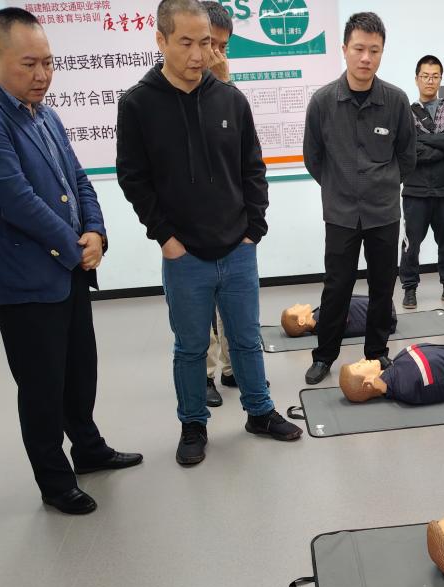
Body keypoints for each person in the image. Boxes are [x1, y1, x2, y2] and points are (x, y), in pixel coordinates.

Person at [0, 8, 142, 514]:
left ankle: (89, 448)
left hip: (68, 269)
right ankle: (55, 482)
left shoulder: (44, 113)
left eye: (48, 63)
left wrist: (96, 232)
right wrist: (75, 246)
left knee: (80, 371)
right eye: (29, 64)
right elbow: (15, 201)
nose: (42, 75)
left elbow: (78, 180)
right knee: (41, 387)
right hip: (25, 280)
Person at [116, 0, 302, 467]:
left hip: (238, 248)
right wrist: (166, 239)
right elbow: (134, 179)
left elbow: (252, 167)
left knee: (246, 339)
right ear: (160, 41)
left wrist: (254, 229)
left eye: (206, 43)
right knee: (190, 347)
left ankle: (259, 412)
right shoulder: (138, 105)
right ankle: (193, 424)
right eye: (186, 43)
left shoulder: (230, 99)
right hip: (184, 256)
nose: (199, 55)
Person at [302, 12, 417, 385]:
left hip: (384, 213)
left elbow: (408, 157)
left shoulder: (396, 101)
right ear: (344, 49)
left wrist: (382, 184)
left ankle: (377, 352)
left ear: (382, 52)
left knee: (383, 285)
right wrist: (339, 186)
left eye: (374, 50)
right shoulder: (323, 102)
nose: (366, 58)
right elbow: (313, 157)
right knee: (337, 287)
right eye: (359, 49)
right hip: (340, 214)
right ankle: (324, 356)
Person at [399, 55, 444, 310]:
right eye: (425, 76)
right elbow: (410, 148)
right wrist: (442, 146)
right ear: (417, 79)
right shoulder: (406, 113)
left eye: (435, 76)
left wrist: (425, 141)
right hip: (415, 190)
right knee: (411, 244)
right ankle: (409, 289)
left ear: (440, 79)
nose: (430, 80)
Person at [201, 0, 235, 407]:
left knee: (231, 302)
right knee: (201, 310)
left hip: (230, 219)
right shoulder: (175, 91)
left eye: (224, 47)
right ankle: (205, 374)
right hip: (191, 223)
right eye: (211, 44)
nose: (216, 56)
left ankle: (230, 367)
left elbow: (241, 149)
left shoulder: (227, 88)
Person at [338, 343, 444, 404]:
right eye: (359, 366)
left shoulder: (399, 365)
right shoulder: (407, 387)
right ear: (368, 384)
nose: (362, 359)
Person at [280, 294, 397, 338]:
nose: (297, 304)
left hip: (382, 309)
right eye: (294, 308)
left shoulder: (320, 317)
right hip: (386, 315)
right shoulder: (324, 322)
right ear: (301, 321)